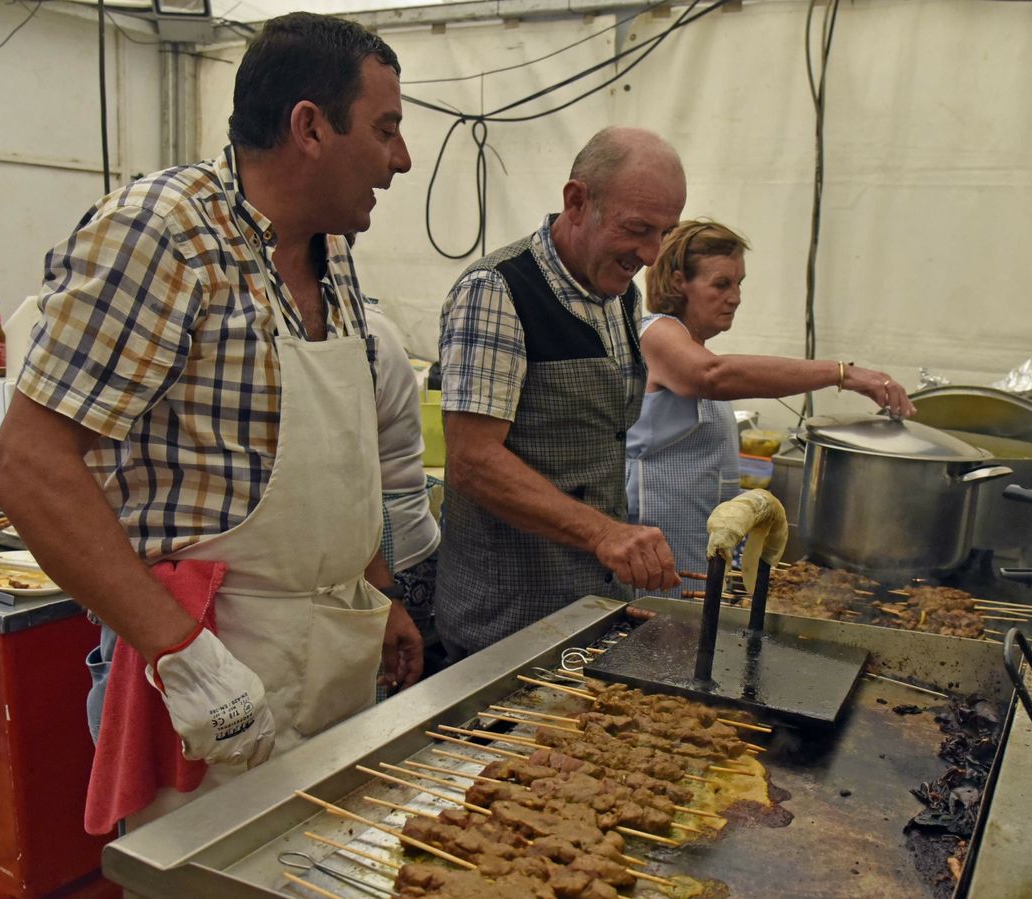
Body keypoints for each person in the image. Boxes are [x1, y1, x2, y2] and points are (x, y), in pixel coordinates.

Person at [0, 11, 418, 829]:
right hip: (210, 674)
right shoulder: (168, 234)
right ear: (309, 127)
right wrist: (181, 657)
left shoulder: (330, 250)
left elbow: (330, 460)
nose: (400, 159)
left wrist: (376, 590)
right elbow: (27, 465)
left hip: (334, 658)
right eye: (387, 129)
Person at [434, 127, 686, 659]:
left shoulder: (618, 294)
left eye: (665, 232)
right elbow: (472, 462)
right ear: (577, 201)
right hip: (507, 625)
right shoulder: (497, 291)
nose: (651, 252)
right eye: (639, 229)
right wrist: (604, 534)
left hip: (588, 608)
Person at [627, 218, 915, 588]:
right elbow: (712, 375)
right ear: (679, 281)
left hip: (694, 553)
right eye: (721, 284)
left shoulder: (692, 348)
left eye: (739, 284)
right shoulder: (657, 332)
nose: (736, 297)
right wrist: (842, 373)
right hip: (658, 554)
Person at [363, 300, 446, 676]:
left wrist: (383, 592)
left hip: (392, 558)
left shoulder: (365, 333)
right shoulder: (374, 325)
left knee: (385, 696)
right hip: (400, 544)